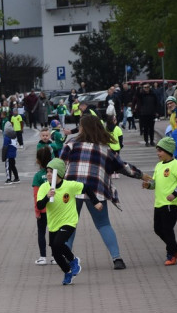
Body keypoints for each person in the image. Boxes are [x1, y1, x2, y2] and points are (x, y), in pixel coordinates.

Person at [59, 114, 145, 270]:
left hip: (71, 190)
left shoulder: (71, 144)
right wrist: (142, 175)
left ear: (82, 128)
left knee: (69, 224)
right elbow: (123, 167)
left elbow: (60, 165)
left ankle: (65, 258)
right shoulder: (105, 149)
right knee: (103, 224)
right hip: (96, 191)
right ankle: (117, 259)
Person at [35, 158, 101, 285]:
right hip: (54, 223)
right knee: (55, 253)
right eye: (47, 171)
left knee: (57, 244)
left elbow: (86, 188)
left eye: (51, 172)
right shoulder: (44, 188)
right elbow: (39, 206)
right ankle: (68, 271)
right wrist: (47, 197)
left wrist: (96, 202)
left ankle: (72, 259)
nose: (48, 174)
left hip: (69, 221)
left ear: (59, 174)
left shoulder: (69, 185)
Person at [142, 136, 177, 266]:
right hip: (159, 204)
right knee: (158, 229)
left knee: (167, 229)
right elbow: (155, 183)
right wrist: (149, 185)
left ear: (168, 151)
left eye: (160, 151)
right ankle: (176, 249)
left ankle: (171, 254)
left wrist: (174, 194)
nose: (158, 154)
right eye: (157, 151)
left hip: (170, 205)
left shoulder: (176, 164)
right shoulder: (158, 166)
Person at [31, 146, 53, 265]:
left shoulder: (38, 176)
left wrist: (37, 211)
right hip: (54, 209)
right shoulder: (54, 174)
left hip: (43, 209)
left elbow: (36, 196)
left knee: (41, 232)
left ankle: (43, 257)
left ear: (38, 160)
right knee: (53, 232)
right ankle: (55, 256)